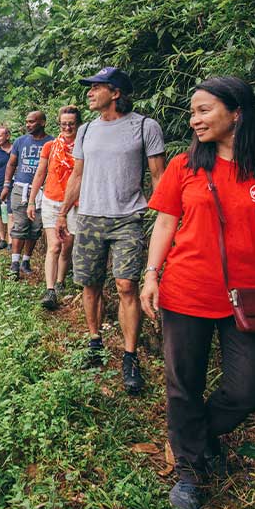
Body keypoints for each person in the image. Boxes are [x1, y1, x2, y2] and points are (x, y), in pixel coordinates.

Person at [141, 76, 255, 509]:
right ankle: (190, 470)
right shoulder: (185, 165)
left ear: (237, 112)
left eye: (204, 110)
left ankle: (195, 436)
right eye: (193, 112)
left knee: (252, 388)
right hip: (186, 291)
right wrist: (151, 274)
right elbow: (165, 222)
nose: (194, 119)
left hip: (254, 298)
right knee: (183, 385)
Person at [57, 67, 165, 394]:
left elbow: (159, 176)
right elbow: (77, 175)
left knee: (126, 285)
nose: (90, 93)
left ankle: (130, 357)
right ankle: (95, 341)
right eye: (89, 88)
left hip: (128, 217)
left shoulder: (145, 126)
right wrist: (63, 213)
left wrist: (167, 218)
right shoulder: (86, 130)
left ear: (115, 93)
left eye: (97, 87)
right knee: (90, 283)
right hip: (89, 216)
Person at [27, 105, 81, 310]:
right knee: (55, 246)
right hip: (51, 200)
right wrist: (32, 200)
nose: (67, 128)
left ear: (78, 124)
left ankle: (60, 281)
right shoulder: (50, 146)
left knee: (67, 246)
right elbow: (40, 173)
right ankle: (50, 290)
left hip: (74, 202)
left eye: (71, 124)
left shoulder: (84, 147)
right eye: (63, 124)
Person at [1, 111, 53, 279]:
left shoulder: (52, 142)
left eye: (32, 122)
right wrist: (7, 185)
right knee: (20, 225)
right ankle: (15, 263)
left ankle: (26, 261)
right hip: (20, 189)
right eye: (27, 122)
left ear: (42, 122)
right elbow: (11, 164)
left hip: (42, 192)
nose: (28, 125)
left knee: (35, 228)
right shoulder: (20, 141)